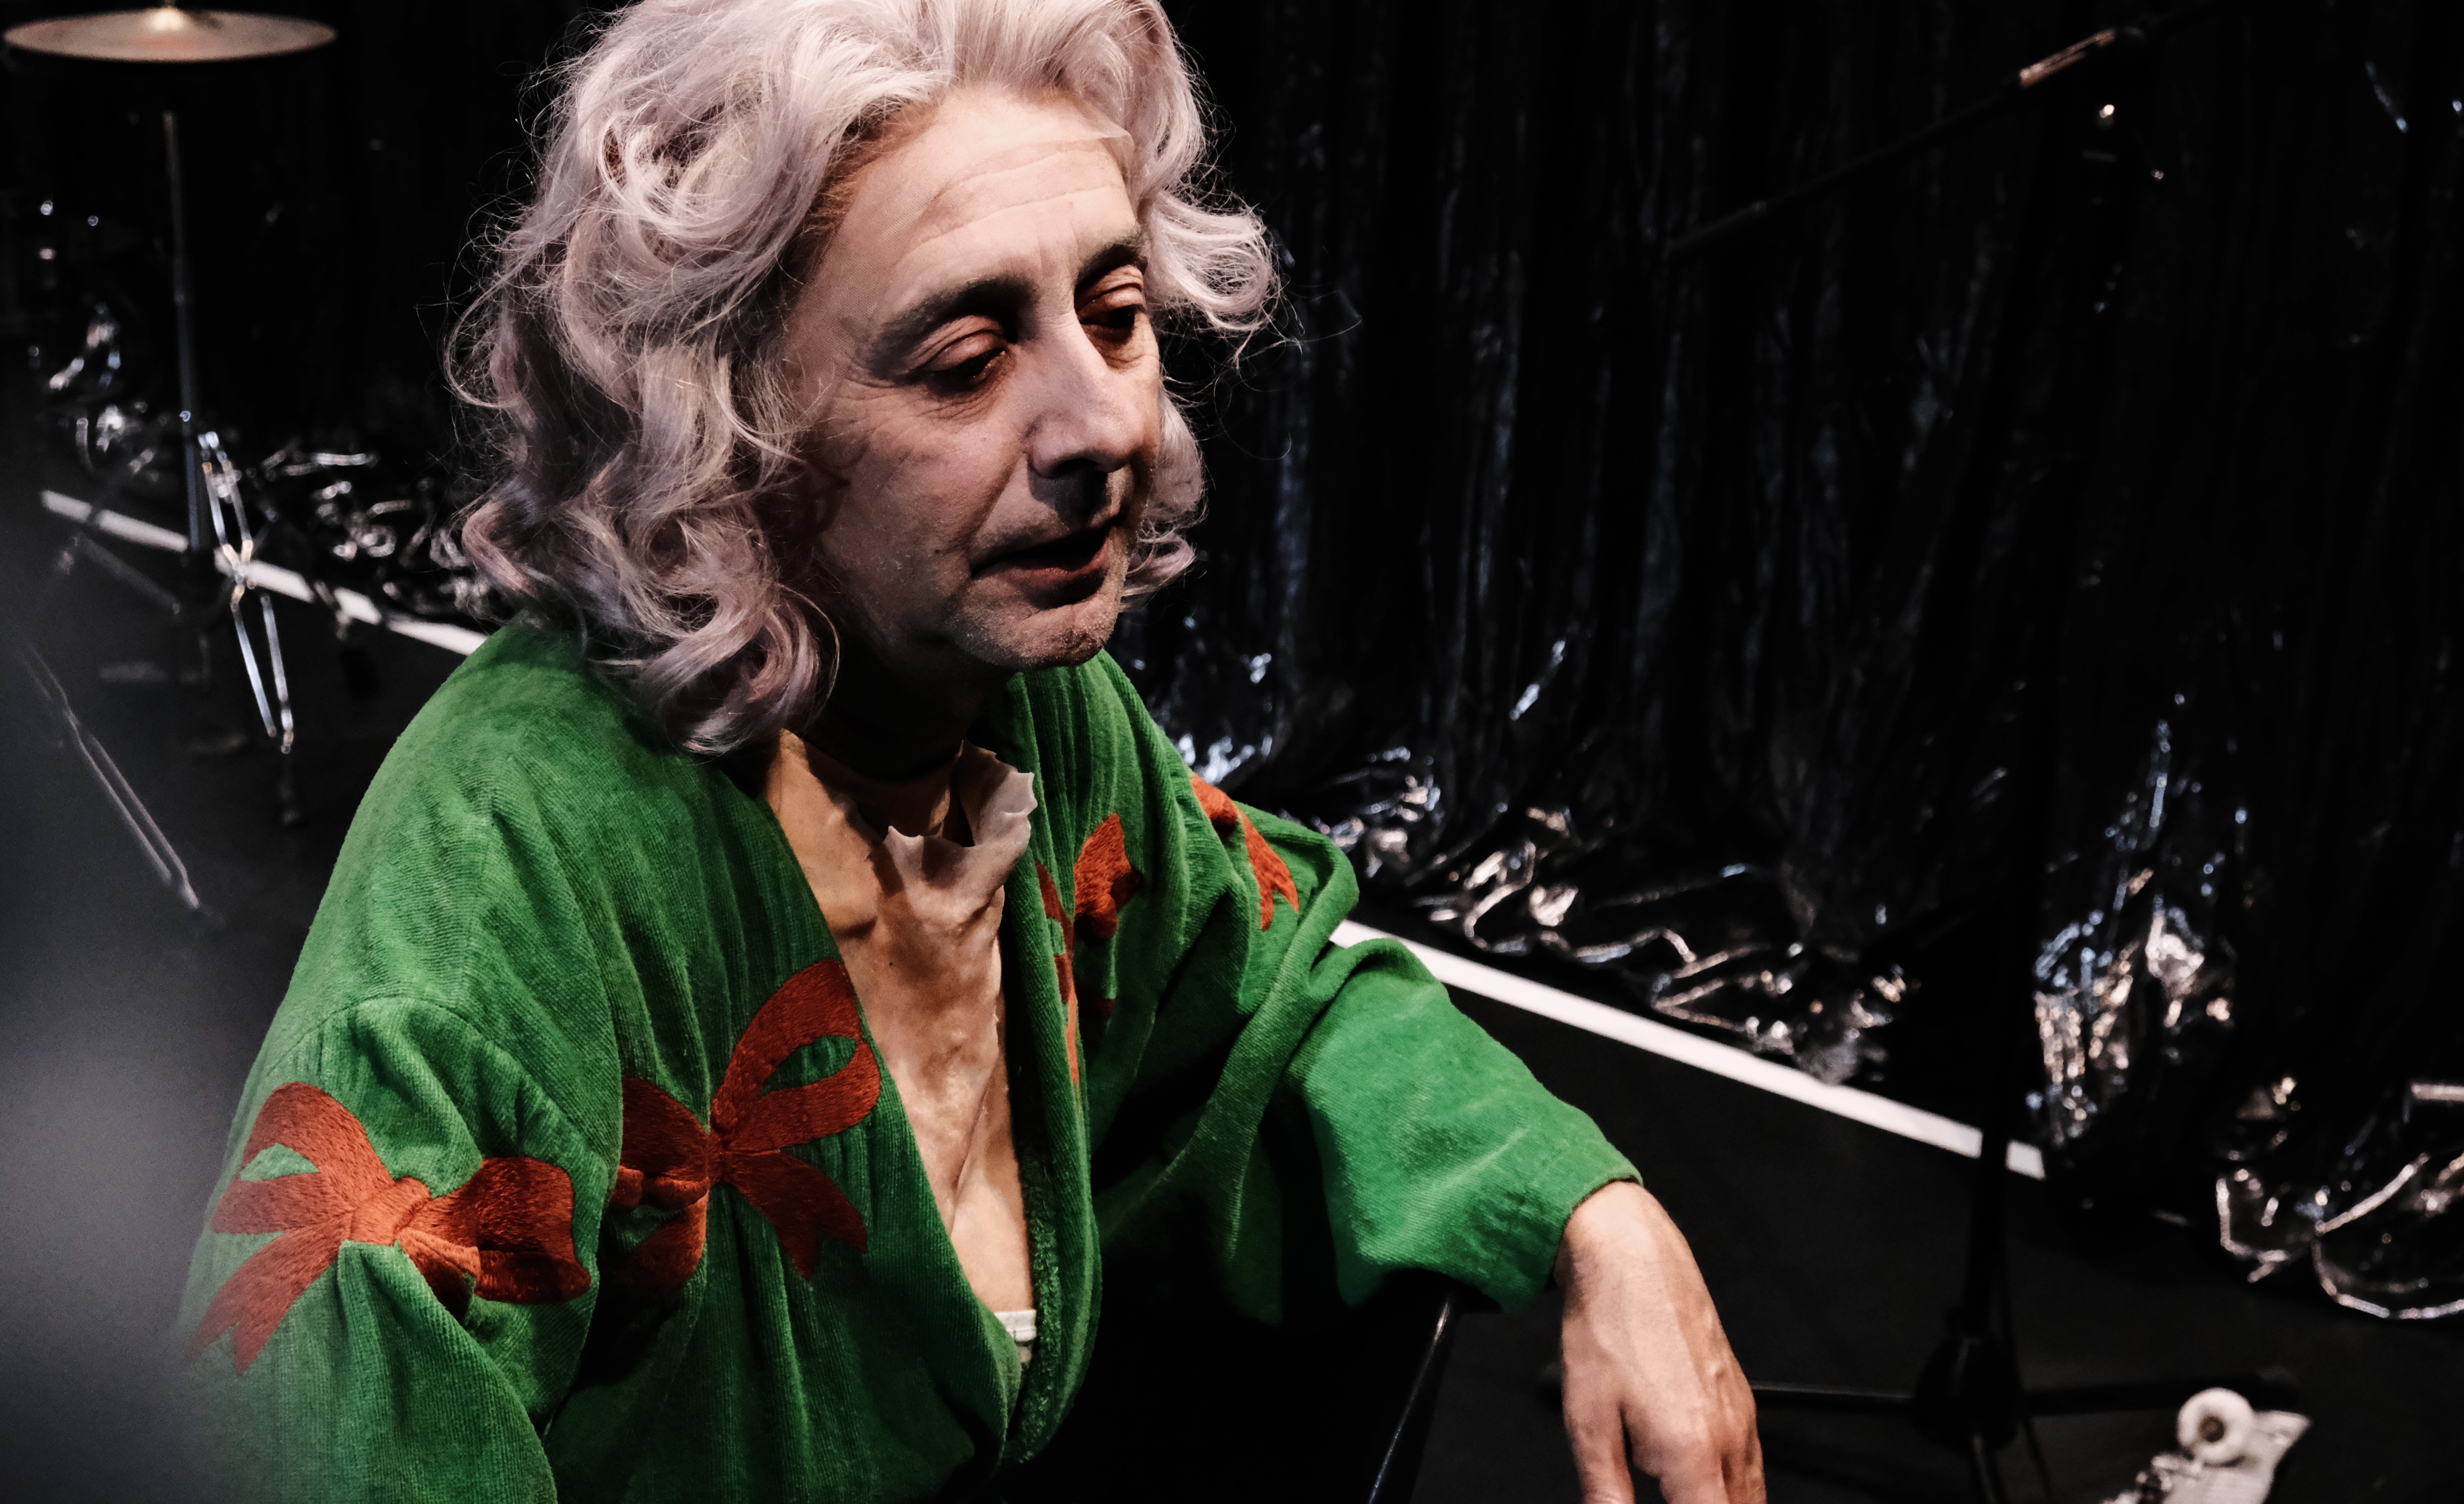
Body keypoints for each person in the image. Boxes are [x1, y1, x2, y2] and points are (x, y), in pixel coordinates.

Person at [176, 2, 1764, 1499]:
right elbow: (326, 1417)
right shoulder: (510, 891)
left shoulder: (1025, 709)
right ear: (722, 422)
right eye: (968, 358)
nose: (1107, 427)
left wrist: (1599, 1218)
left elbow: (1264, 997)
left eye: (1116, 316)